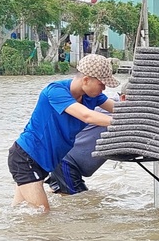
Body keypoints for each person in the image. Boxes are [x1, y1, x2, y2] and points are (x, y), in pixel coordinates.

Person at [8, 54, 119, 211]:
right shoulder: (55, 91)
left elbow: (118, 110)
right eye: (102, 84)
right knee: (42, 214)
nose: (104, 88)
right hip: (27, 157)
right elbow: (87, 116)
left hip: (44, 162)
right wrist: (123, 124)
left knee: (20, 213)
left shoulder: (93, 96)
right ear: (86, 80)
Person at [45, 83, 127, 195]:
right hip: (67, 162)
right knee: (80, 203)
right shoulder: (106, 110)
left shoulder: (112, 108)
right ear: (124, 98)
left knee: (66, 203)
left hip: (69, 164)